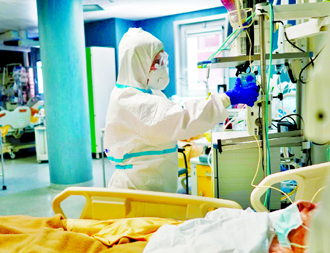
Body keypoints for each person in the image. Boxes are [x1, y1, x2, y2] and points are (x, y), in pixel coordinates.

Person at [104, 28, 259, 193]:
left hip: (152, 186)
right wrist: (228, 98)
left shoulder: (149, 92)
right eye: (157, 62)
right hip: (137, 190)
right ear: (138, 63)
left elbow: (176, 111)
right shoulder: (129, 100)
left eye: (164, 59)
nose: (163, 66)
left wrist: (226, 98)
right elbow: (182, 118)